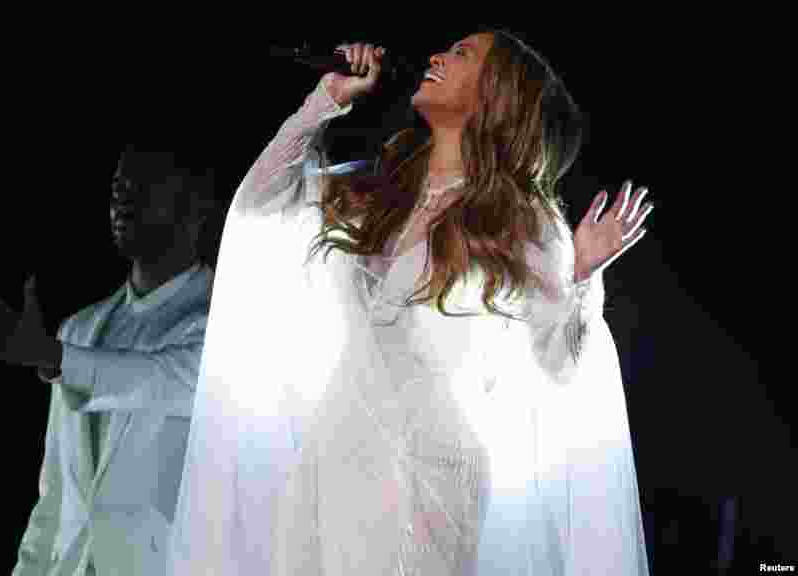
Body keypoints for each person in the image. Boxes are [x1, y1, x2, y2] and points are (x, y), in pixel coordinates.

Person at [168, 30, 652, 575]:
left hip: (428, 469)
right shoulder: (380, 190)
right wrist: (324, 101)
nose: (437, 56)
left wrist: (580, 277)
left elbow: (557, 367)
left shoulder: (524, 222)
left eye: (462, 54)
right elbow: (259, 203)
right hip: (331, 457)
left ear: (497, 93)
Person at [0, 140, 216, 575]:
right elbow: (55, 497)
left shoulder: (226, 324)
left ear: (198, 201)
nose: (123, 194)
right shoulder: (79, 331)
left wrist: (52, 357)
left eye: (145, 182)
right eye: (118, 182)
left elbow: (161, 379)